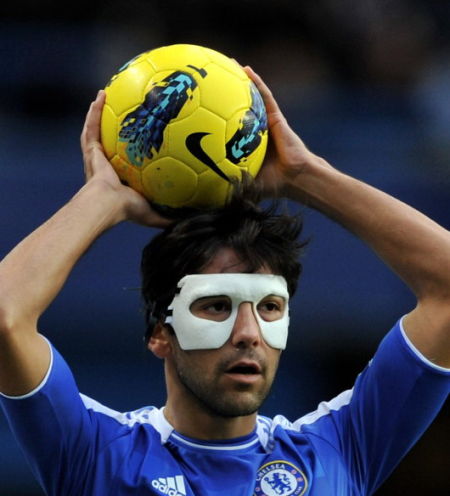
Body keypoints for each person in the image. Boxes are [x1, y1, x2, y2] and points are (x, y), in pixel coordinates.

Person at [0, 66, 449, 496]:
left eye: (269, 307)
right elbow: (6, 315)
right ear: (160, 332)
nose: (249, 333)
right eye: (216, 306)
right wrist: (101, 197)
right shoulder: (95, 454)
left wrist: (305, 176)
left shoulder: (339, 451)